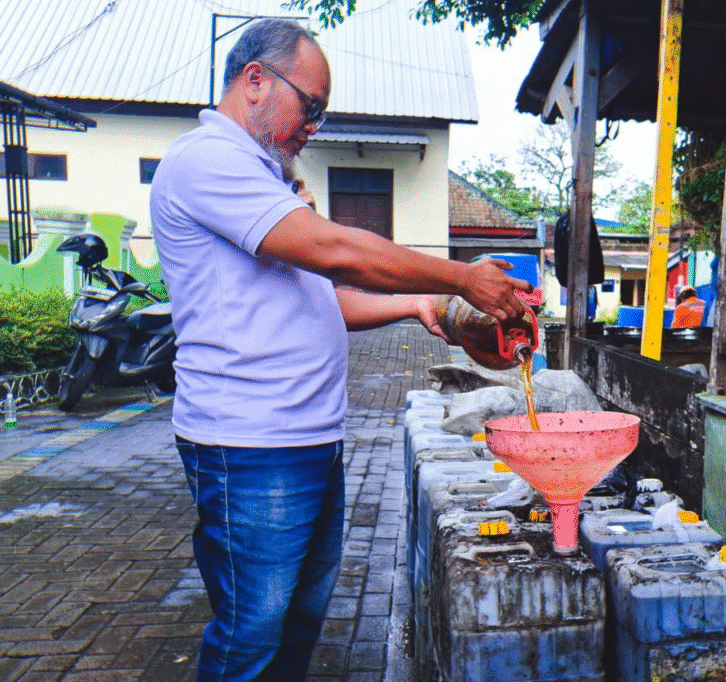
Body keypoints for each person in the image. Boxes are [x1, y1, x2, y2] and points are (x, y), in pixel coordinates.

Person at [149, 19, 530, 681]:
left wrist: (422, 305)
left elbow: (320, 296)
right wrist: (461, 276)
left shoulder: (267, 180)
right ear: (256, 80)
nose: (315, 126)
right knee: (251, 635)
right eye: (312, 106)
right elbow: (336, 253)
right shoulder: (206, 160)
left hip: (307, 438)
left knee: (298, 626)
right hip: (249, 446)